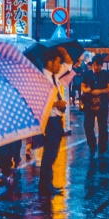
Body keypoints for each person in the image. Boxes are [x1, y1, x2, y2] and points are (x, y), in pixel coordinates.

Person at [39, 48, 67, 196]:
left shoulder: (53, 77)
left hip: (56, 119)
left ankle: (47, 184)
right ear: (49, 63)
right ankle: (45, 186)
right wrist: (58, 104)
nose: (59, 65)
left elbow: (67, 65)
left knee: (53, 153)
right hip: (50, 120)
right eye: (57, 62)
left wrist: (64, 55)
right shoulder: (44, 78)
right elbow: (42, 102)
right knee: (49, 153)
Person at [80, 55, 109, 156]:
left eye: (97, 66)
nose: (95, 68)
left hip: (102, 103)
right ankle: (92, 145)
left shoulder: (106, 74)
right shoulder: (87, 74)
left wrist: (100, 91)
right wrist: (86, 90)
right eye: (94, 65)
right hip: (89, 103)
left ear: (101, 65)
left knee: (102, 126)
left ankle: (102, 148)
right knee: (87, 125)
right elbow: (83, 85)